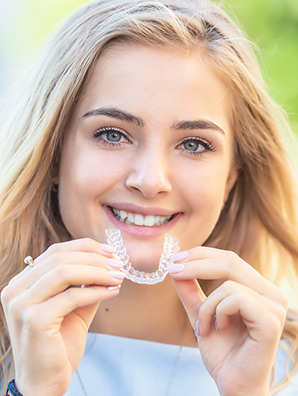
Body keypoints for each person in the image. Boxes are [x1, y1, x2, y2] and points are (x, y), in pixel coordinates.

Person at [0, 0, 298, 395]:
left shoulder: (282, 368)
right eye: (112, 134)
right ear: (53, 156)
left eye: (193, 144)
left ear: (230, 179)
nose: (151, 180)